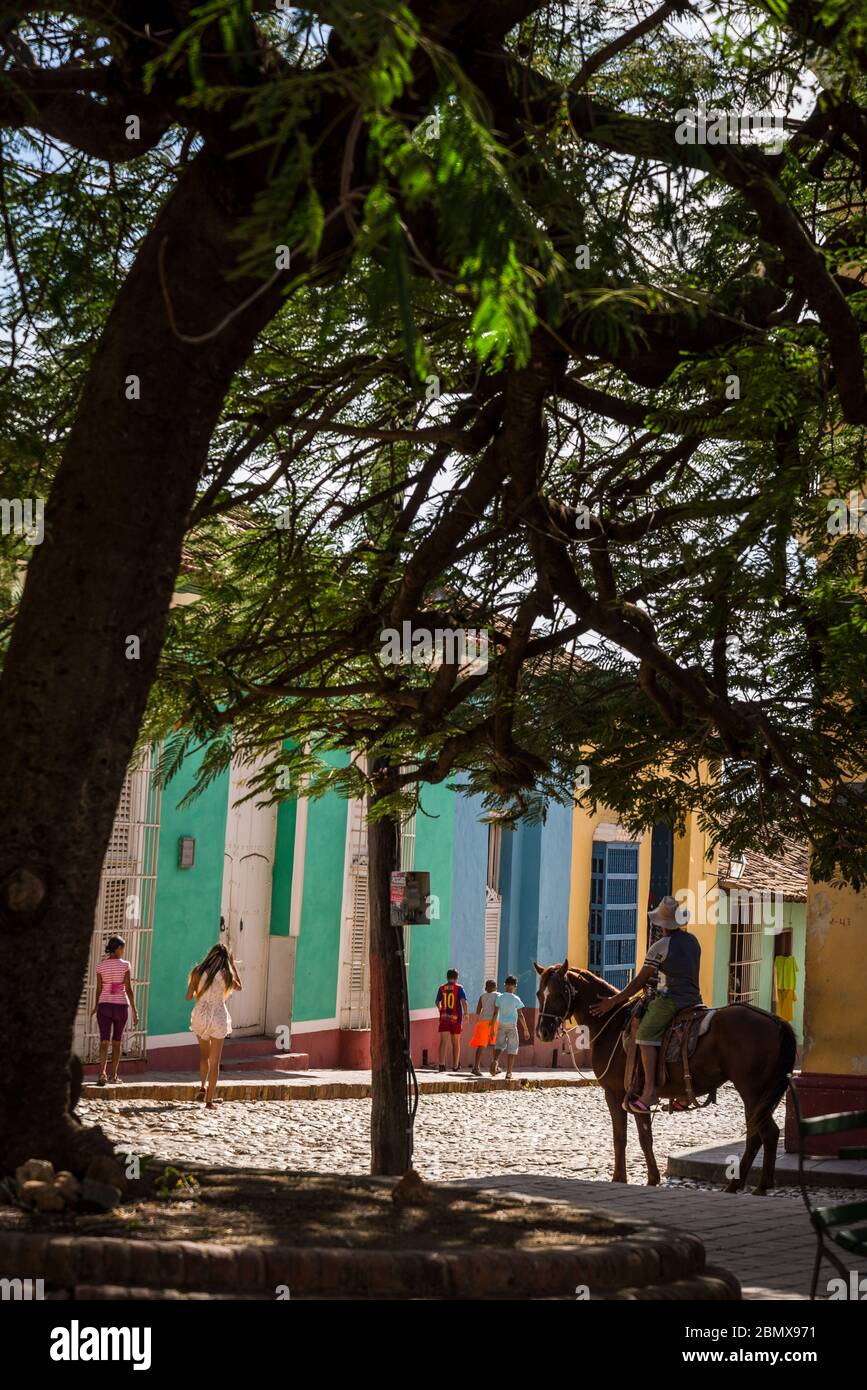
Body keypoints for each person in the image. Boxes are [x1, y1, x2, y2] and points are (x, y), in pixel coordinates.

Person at [590, 895, 702, 1113]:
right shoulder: (693, 941)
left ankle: (650, 1091)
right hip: (694, 999)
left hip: (671, 1000)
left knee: (645, 1034)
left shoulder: (660, 946)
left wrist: (612, 1001)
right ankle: (683, 1092)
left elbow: (638, 982)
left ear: (661, 924)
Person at [186, 943, 242, 1108]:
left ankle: (202, 1087)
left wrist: (199, 991)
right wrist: (232, 965)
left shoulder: (197, 971)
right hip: (218, 1016)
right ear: (225, 959)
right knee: (215, 1060)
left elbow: (188, 996)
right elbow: (240, 987)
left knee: (204, 1056)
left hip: (201, 1016)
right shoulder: (226, 975)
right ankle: (209, 1101)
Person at [91, 935, 138, 1086]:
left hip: (104, 1006)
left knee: (104, 1041)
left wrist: (96, 1005)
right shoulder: (125, 965)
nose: (123, 951)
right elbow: (128, 989)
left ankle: (101, 1074)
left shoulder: (100, 966)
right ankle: (114, 1075)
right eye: (123, 948)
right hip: (120, 1007)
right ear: (118, 949)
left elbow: (100, 988)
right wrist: (135, 1010)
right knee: (117, 1042)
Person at [490, 975, 530, 1079]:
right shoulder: (516, 998)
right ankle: (509, 1073)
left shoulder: (499, 997)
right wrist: (525, 1029)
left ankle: (495, 1061)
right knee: (512, 1049)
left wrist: (491, 1028)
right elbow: (520, 1015)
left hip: (501, 1025)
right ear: (514, 986)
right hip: (512, 1026)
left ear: (505, 985)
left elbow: (495, 1013)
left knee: (499, 1046)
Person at [435, 968, 468, 1072]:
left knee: (443, 1042)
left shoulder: (442, 988)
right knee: (456, 1043)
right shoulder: (459, 988)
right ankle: (455, 1065)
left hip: (444, 1017)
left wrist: (441, 1009)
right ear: (457, 977)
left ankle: (441, 1064)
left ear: (447, 977)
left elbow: (437, 1002)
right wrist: (466, 1013)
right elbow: (463, 1001)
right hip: (456, 1018)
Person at [470, 979, 499, 1076]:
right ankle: (495, 1066)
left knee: (481, 1045)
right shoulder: (498, 995)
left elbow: (478, 1011)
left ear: (486, 988)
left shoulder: (482, 996)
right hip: (493, 1021)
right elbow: (497, 1010)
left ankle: (476, 1067)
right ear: (495, 987)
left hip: (482, 1022)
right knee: (496, 1044)